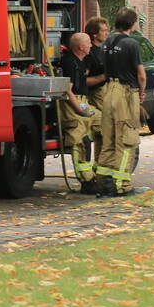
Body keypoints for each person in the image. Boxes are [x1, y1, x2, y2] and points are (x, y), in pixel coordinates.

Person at [95, 8, 145, 197]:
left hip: (108, 91)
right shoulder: (131, 43)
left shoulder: (106, 42)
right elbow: (141, 75)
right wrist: (140, 95)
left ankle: (103, 185)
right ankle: (121, 185)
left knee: (108, 139)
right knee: (126, 140)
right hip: (125, 93)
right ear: (132, 23)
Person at [59, 32, 99, 194]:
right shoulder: (69, 63)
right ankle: (86, 180)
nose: (91, 45)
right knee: (80, 140)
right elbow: (68, 91)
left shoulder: (82, 61)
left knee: (105, 125)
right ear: (81, 47)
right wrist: (79, 109)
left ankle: (99, 172)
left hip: (83, 101)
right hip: (72, 103)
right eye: (88, 42)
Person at [83, 16, 109, 161]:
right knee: (104, 130)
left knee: (102, 135)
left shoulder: (101, 50)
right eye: (104, 31)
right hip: (94, 94)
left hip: (104, 93)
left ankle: (99, 167)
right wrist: (104, 77)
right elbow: (83, 81)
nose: (106, 33)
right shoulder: (89, 53)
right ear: (94, 34)